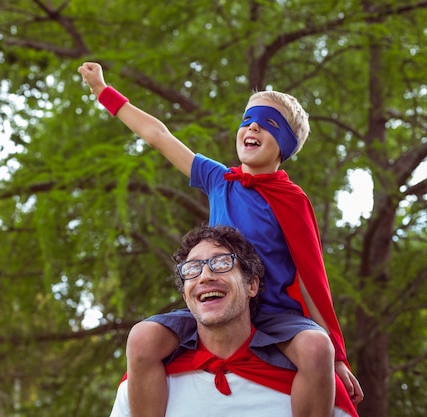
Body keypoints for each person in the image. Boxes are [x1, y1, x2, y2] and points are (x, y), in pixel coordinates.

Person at [78, 62, 363, 417]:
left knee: (317, 350)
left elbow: (310, 276)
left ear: (284, 145)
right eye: (247, 121)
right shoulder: (219, 179)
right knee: (143, 338)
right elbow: (159, 135)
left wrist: (337, 355)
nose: (253, 126)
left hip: (274, 317)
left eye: (268, 124)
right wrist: (104, 92)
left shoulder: (293, 199)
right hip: (215, 303)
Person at [109, 225, 357, 417]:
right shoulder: (143, 383)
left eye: (221, 263)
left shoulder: (315, 382)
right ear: (185, 296)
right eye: (192, 269)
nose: (205, 276)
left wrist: (338, 358)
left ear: (251, 285)